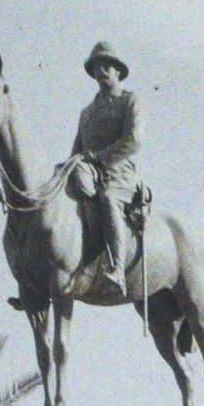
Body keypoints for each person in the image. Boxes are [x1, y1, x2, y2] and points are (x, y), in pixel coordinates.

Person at [71, 41, 142, 303]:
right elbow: (76, 150)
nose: (101, 70)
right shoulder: (86, 113)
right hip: (89, 174)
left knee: (108, 199)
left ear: (117, 70)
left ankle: (117, 271)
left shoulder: (129, 101)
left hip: (119, 175)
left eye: (106, 65)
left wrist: (100, 158)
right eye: (96, 66)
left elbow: (133, 140)